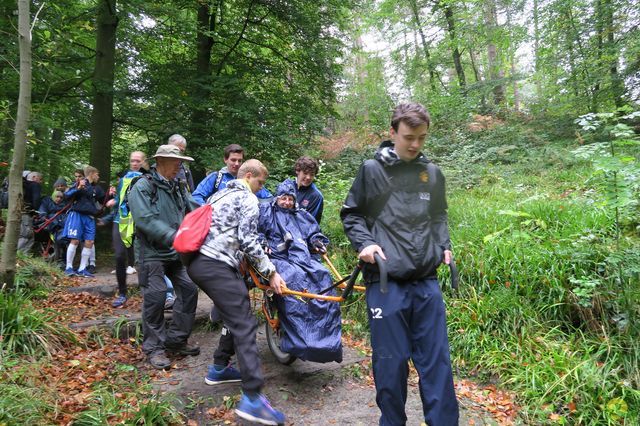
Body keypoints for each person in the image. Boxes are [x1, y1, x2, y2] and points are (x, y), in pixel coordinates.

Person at [340, 102, 459, 426]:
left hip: (426, 282)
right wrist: (365, 244)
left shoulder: (431, 174)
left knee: (437, 364)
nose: (415, 144)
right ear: (392, 133)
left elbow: (438, 216)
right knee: (390, 366)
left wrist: (443, 246)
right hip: (386, 283)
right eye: (409, 136)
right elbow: (352, 214)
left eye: (421, 137)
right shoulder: (372, 170)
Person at [187, 159, 287, 425]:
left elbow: (224, 233)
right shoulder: (247, 198)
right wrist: (272, 272)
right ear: (250, 176)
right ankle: (253, 398)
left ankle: (219, 367)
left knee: (237, 310)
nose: (261, 189)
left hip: (198, 262)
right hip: (215, 264)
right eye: (261, 182)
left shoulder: (219, 194)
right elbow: (250, 241)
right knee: (245, 322)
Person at [129, 144, 200, 370]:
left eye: (180, 162)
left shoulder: (177, 186)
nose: (179, 166)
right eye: (175, 162)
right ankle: (154, 349)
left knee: (188, 289)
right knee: (156, 296)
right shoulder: (143, 186)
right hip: (151, 253)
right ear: (160, 162)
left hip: (174, 252)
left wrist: (213, 214)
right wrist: (174, 236)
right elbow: (145, 220)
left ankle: (177, 340)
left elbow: (194, 209)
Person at [258, 179, 342, 363]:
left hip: (303, 258)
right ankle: (298, 338)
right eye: (283, 198)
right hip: (278, 259)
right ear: (277, 198)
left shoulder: (301, 215)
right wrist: (262, 242)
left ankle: (323, 339)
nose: (287, 202)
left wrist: (317, 241)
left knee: (323, 276)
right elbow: (257, 230)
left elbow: (313, 232)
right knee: (294, 281)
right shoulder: (267, 211)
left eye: (290, 199)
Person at [110, 151, 146, 308]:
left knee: (143, 259)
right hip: (121, 221)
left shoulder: (148, 178)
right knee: (119, 256)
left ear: (144, 162)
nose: (135, 163)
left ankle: (148, 294)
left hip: (140, 222)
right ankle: (123, 293)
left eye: (138, 160)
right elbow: (119, 199)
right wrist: (108, 215)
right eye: (132, 160)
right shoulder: (124, 179)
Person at [192, 144, 271, 205]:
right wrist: (208, 211)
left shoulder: (250, 180)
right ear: (225, 160)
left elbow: (269, 199)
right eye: (233, 160)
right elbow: (196, 196)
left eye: (239, 160)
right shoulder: (216, 178)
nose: (236, 164)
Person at [63, 166, 105, 277]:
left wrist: (110, 194)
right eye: (97, 174)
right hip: (77, 214)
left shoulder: (96, 188)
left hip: (90, 217)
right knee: (75, 240)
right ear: (91, 173)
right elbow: (66, 196)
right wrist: (78, 188)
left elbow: (103, 200)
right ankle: (68, 267)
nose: (98, 176)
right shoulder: (80, 183)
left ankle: (82, 268)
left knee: (89, 242)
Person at [280, 156, 324, 224]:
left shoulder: (316, 196)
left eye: (312, 174)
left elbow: (311, 223)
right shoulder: (285, 187)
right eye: (305, 173)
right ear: (297, 171)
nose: (308, 177)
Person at [18, 171, 43, 253]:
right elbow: (36, 200)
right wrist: (36, 211)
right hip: (26, 213)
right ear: (34, 177)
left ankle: (21, 256)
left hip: (16, 212)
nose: (41, 181)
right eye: (40, 179)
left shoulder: (22, 185)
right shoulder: (35, 185)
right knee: (26, 235)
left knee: (26, 235)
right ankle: (19, 255)